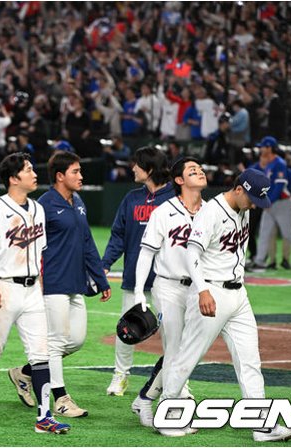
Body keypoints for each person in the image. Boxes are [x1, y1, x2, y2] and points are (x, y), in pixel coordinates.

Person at [157, 169, 291, 442]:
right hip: (211, 292)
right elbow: (191, 252)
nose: (254, 205)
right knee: (188, 357)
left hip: (238, 296)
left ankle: (261, 425)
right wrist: (202, 290)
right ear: (238, 189)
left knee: (250, 361)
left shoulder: (243, 209)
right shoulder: (211, 212)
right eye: (252, 199)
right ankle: (167, 415)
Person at [0, 152, 70, 434]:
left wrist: (41, 282)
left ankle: (44, 416)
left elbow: (40, 253)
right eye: (28, 169)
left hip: (32, 289)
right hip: (4, 287)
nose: (34, 174)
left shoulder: (37, 209)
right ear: (13, 178)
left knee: (40, 354)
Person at [8, 151, 111, 418]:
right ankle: (61, 400)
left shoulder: (78, 202)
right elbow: (31, 245)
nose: (81, 176)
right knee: (54, 342)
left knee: (75, 340)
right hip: (51, 282)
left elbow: (87, 241)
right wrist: (35, 278)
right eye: (75, 171)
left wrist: (100, 279)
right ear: (59, 176)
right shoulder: (43, 205)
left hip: (75, 282)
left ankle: (24, 373)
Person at [129, 157, 207, 428]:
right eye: (192, 170)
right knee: (174, 349)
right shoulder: (164, 211)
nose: (200, 171)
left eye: (201, 168)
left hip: (198, 290)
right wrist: (138, 291)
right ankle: (173, 410)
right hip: (168, 286)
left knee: (188, 351)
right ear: (179, 180)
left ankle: (144, 399)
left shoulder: (211, 211)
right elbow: (146, 252)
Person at [102, 146, 174, 396]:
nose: (133, 168)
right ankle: (120, 375)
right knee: (127, 329)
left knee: (173, 335)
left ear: (150, 169)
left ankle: (178, 381)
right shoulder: (131, 198)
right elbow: (118, 235)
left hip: (169, 279)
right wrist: (106, 263)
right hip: (135, 277)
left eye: (137, 164)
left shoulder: (175, 198)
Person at [248, 136, 291, 273]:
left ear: (269, 148)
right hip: (271, 203)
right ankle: (259, 262)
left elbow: (279, 186)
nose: (260, 149)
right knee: (264, 232)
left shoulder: (279, 163)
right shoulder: (270, 164)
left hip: (282, 203)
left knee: (288, 234)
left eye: (263, 147)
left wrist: (268, 202)